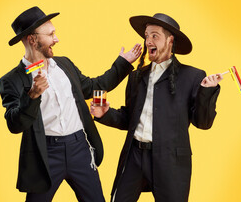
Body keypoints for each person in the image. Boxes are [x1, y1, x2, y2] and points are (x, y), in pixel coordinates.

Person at [0, 6, 142, 202]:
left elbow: (93, 87)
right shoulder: (11, 80)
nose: (56, 39)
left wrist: (123, 63)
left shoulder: (64, 64)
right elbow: (14, 124)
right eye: (50, 34)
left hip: (79, 148)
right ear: (32, 39)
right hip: (45, 155)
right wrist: (32, 97)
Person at [90, 13, 223, 202]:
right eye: (146, 36)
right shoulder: (136, 76)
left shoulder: (192, 76)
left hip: (170, 161)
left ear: (170, 40)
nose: (148, 41)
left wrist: (207, 91)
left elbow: (203, 123)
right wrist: (105, 114)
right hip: (134, 156)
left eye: (154, 36)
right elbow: (129, 118)